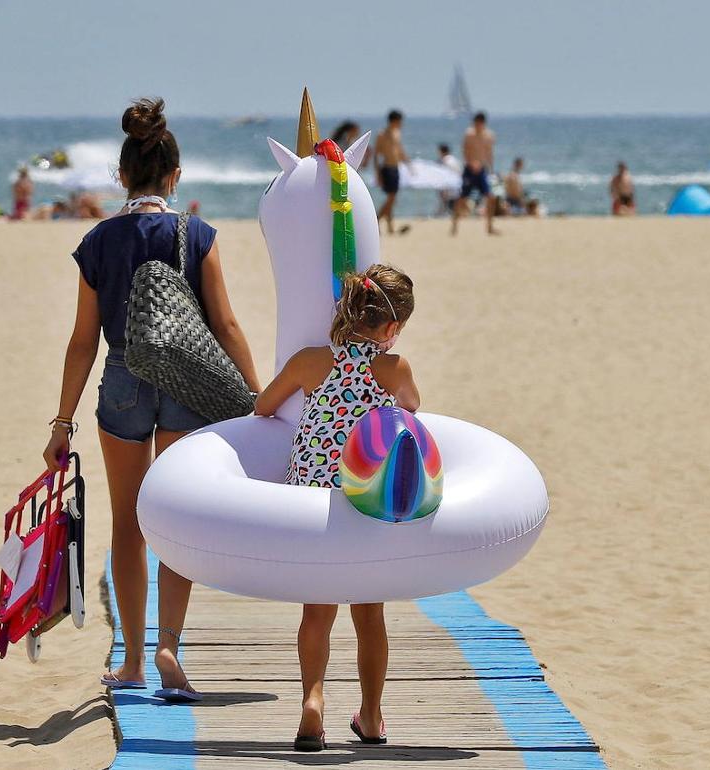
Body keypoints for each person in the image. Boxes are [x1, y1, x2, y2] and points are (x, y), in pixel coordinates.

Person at [43, 98, 262, 701]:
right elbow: (226, 325)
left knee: (128, 521)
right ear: (175, 176)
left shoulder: (98, 242)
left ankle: (135, 661)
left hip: (122, 380)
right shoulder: (197, 234)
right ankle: (170, 645)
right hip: (189, 380)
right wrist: (257, 394)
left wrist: (62, 421)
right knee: (177, 521)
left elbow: (82, 340)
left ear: (121, 175)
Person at [254, 264, 420, 752]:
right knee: (370, 615)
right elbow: (413, 406)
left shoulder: (310, 361)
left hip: (310, 503)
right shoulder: (393, 369)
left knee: (317, 611)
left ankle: (312, 700)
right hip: (362, 499)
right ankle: (370, 716)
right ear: (391, 329)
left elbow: (265, 405)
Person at [451, 112, 499, 235]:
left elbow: (489, 153)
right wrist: (471, 163)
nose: (476, 125)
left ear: (483, 123)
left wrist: (491, 169)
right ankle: (454, 227)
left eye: (479, 123)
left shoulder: (489, 135)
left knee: (490, 197)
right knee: (462, 198)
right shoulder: (469, 134)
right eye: (475, 123)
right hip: (469, 170)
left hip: (482, 170)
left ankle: (490, 227)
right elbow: (465, 151)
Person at [373, 110, 410, 235]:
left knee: (392, 199)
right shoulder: (381, 134)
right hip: (387, 168)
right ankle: (377, 219)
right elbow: (376, 155)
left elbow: (399, 150)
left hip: (396, 168)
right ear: (394, 121)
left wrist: (408, 163)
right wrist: (378, 173)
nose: (401, 123)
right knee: (391, 198)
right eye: (400, 121)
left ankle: (390, 227)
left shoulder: (397, 133)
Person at [437, 144, 461, 214]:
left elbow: (444, 175)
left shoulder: (444, 160)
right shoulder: (455, 160)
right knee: (453, 206)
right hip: (457, 186)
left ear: (441, 151)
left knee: (447, 205)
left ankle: (440, 215)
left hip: (448, 186)